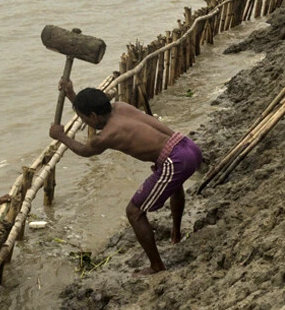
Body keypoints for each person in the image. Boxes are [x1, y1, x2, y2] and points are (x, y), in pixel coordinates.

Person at [49, 80, 203, 276]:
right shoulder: (121, 107)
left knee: (134, 212)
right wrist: (72, 94)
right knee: (174, 184)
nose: (84, 122)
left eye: (83, 118)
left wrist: (61, 137)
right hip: (187, 146)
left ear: (94, 116)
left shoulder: (105, 137)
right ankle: (176, 233)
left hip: (176, 160)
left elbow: (84, 150)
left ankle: (157, 266)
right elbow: (93, 111)